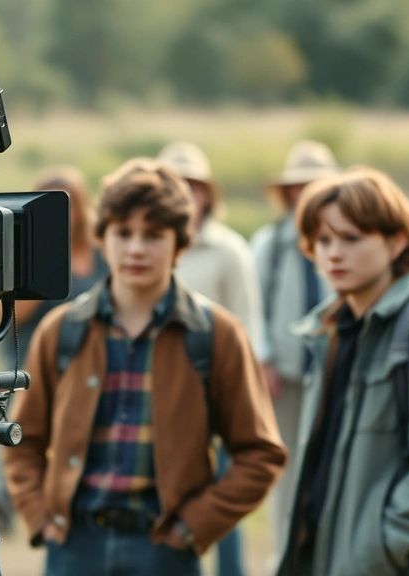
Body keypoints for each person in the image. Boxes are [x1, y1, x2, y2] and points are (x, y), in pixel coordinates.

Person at [4, 158, 286, 576]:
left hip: (165, 549)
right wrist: (41, 516)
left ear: (181, 246)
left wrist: (194, 527)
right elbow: (23, 440)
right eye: (123, 233)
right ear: (102, 238)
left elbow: (260, 454)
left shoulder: (216, 334)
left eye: (153, 235)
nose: (136, 248)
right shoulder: (62, 330)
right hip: (74, 547)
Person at [278, 167, 409, 576]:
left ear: (396, 243)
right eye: (323, 240)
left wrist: (378, 551)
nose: (333, 253)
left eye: (351, 238)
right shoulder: (331, 330)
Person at [0, 165, 109, 531]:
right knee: (20, 411)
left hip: (91, 354)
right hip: (37, 355)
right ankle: (4, 498)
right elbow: (2, 318)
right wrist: (41, 265)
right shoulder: (29, 252)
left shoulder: (100, 253)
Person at [158, 141, 263, 576]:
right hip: (159, 386)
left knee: (218, 496)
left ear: (207, 193)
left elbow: (247, 322)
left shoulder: (229, 249)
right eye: (176, 183)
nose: (187, 192)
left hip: (214, 386)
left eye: (194, 185)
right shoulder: (148, 244)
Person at [248, 139, 335, 559]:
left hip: (331, 370)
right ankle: (284, 554)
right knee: (285, 469)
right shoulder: (272, 242)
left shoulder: (338, 238)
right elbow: (255, 305)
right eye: (299, 185)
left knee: (327, 465)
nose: (305, 193)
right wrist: (262, 361)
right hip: (285, 372)